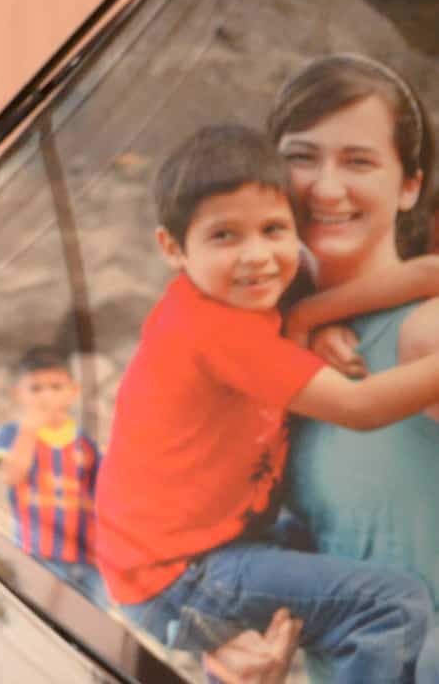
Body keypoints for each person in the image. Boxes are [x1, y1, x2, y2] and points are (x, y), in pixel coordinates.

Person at [92, 123, 439, 681]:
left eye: (273, 229)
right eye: (224, 236)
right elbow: (363, 407)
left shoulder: (262, 282)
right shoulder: (215, 329)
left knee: (318, 545)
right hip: (181, 577)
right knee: (390, 606)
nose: (256, 255)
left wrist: (308, 317)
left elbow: (426, 272)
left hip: (180, 556)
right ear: (172, 248)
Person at [278, 57, 439, 606]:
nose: (326, 188)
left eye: (358, 162)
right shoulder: (264, 338)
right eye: (301, 157)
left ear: (410, 186)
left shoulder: (425, 332)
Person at [0, 346, 105, 606]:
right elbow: (12, 475)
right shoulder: (10, 434)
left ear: (73, 391)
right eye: (36, 389)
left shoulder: (85, 443)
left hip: (87, 557)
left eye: (55, 387)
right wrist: (29, 431)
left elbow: (102, 494)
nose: (47, 396)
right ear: (19, 394)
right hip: (38, 553)